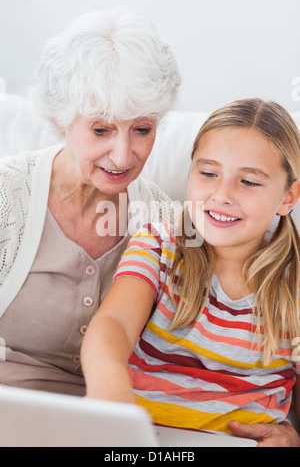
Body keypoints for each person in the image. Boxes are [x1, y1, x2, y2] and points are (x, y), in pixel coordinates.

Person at [81, 98, 300, 447]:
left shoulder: (294, 287)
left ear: (288, 197)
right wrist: (109, 390)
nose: (222, 194)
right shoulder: (159, 246)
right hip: (142, 442)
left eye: (249, 182)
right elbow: (114, 324)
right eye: (209, 173)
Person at [0, 8, 181, 396]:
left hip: (104, 425)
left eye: (142, 130)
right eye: (101, 129)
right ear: (60, 118)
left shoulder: (168, 221)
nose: (122, 156)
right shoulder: (7, 194)